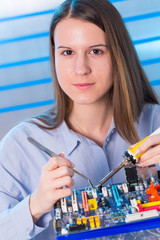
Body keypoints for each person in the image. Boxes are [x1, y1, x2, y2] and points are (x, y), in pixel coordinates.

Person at [0, 0, 160, 239]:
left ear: (118, 55)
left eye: (96, 51)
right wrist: (36, 205)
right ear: (54, 57)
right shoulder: (21, 145)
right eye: (67, 52)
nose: (80, 68)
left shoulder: (155, 122)